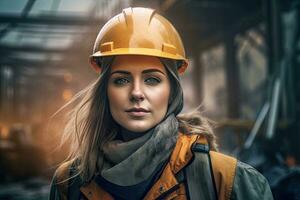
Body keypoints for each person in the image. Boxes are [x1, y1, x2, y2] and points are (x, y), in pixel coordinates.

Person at [49, 7, 273, 200]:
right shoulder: (69, 184)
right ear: (105, 90)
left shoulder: (227, 182)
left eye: (152, 80)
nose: (136, 93)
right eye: (122, 80)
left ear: (172, 91)